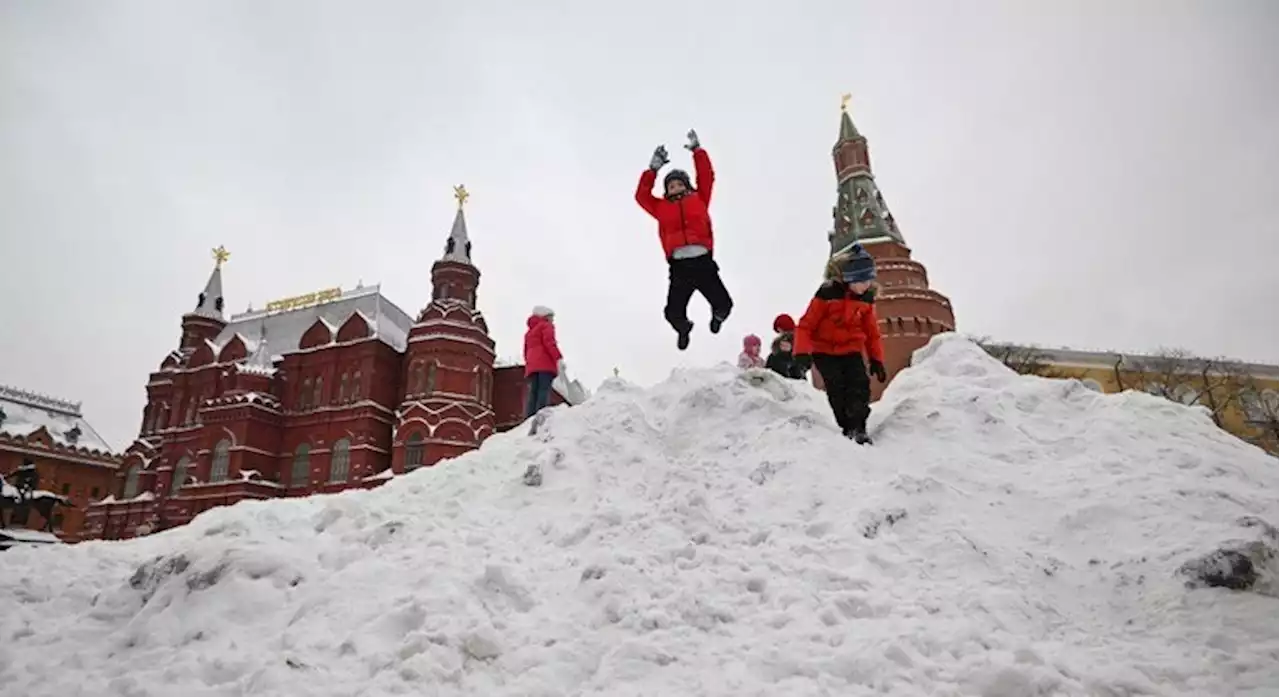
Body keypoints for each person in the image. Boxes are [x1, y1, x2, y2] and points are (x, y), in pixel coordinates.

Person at [635, 129, 733, 351]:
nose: (676, 188)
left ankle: (717, 318)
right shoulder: (661, 208)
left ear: (687, 186)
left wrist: (698, 151)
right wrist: (653, 169)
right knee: (672, 313)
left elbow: (707, 176)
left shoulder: (699, 198)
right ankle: (684, 328)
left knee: (725, 305)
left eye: (679, 184)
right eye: (671, 186)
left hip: (703, 263)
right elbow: (641, 196)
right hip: (680, 268)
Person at [792, 245, 888, 444]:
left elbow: (872, 332)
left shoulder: (866, 300)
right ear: (849, 278)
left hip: (851, 350)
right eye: (861, 281)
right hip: (824, 351)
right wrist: (801, 353)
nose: (866, 285)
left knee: (859, 385)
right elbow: (806, 325)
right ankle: (846, 426)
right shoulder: (826, 295)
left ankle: (858, 427)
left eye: (869, 280)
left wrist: (876, 359)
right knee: (837, 388)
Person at [523, 305, 564, 418]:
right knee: (543, 391)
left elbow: (525, 352)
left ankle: (529, 418)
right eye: (551, 317)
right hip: (545, 365)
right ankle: (542, 416)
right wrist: (558, 358)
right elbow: (550, 343)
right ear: (545, 316)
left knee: (533, 392)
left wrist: (529, 364)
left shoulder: (529, 333)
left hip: (532, 366)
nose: (552, 320)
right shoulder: (546, 326)